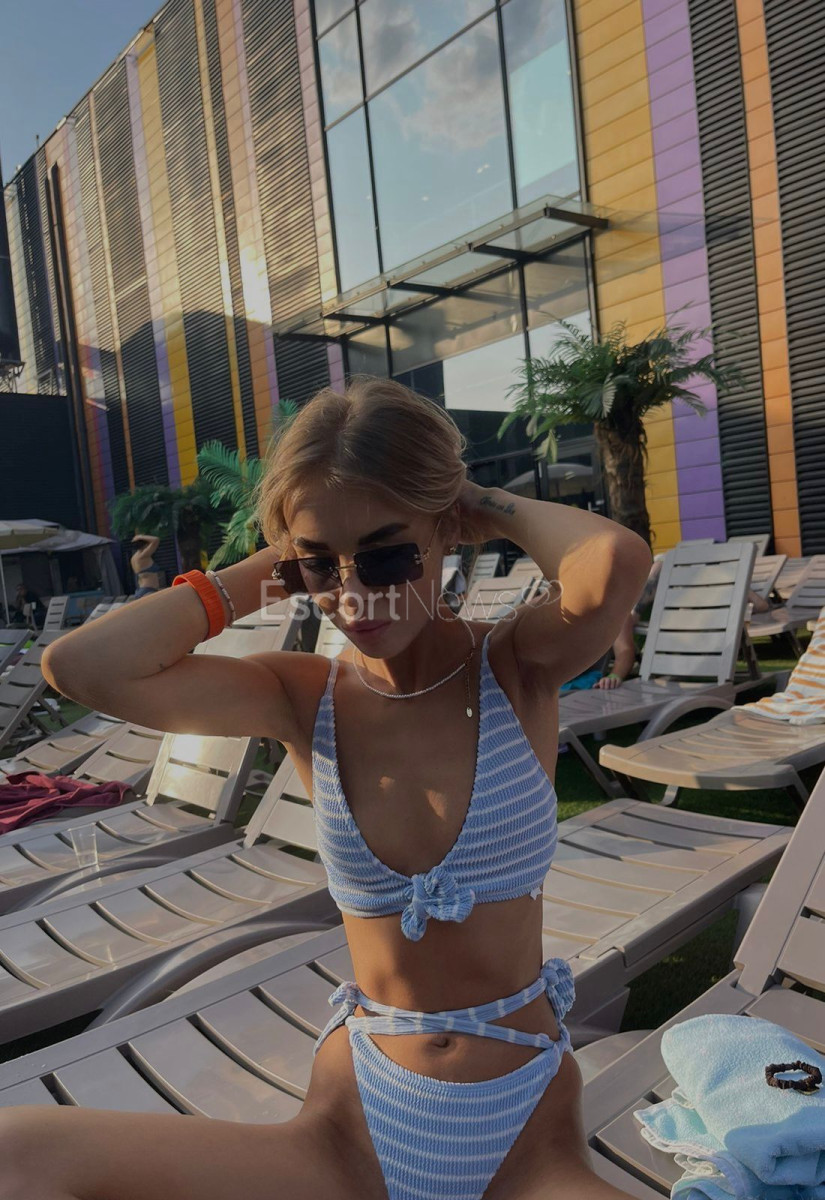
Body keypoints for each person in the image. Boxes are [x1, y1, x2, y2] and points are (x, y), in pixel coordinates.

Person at [32, 378, 651, 1200]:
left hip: (525, 1133)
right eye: (321, 565)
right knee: (16, 1152)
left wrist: (476, 502)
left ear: (447, 530)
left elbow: (613, 563)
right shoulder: (299, 696)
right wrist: (276, 566)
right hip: (349, 1132)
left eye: (389, 555)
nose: (353, 597)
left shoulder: (514, 665)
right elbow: (83, 667)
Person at [130, 533, 163, 598]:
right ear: (146, 544)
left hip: (142, 589)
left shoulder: (133, 558)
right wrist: (140, 536)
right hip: (148, 590)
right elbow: (156, 540)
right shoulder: (143, 556)